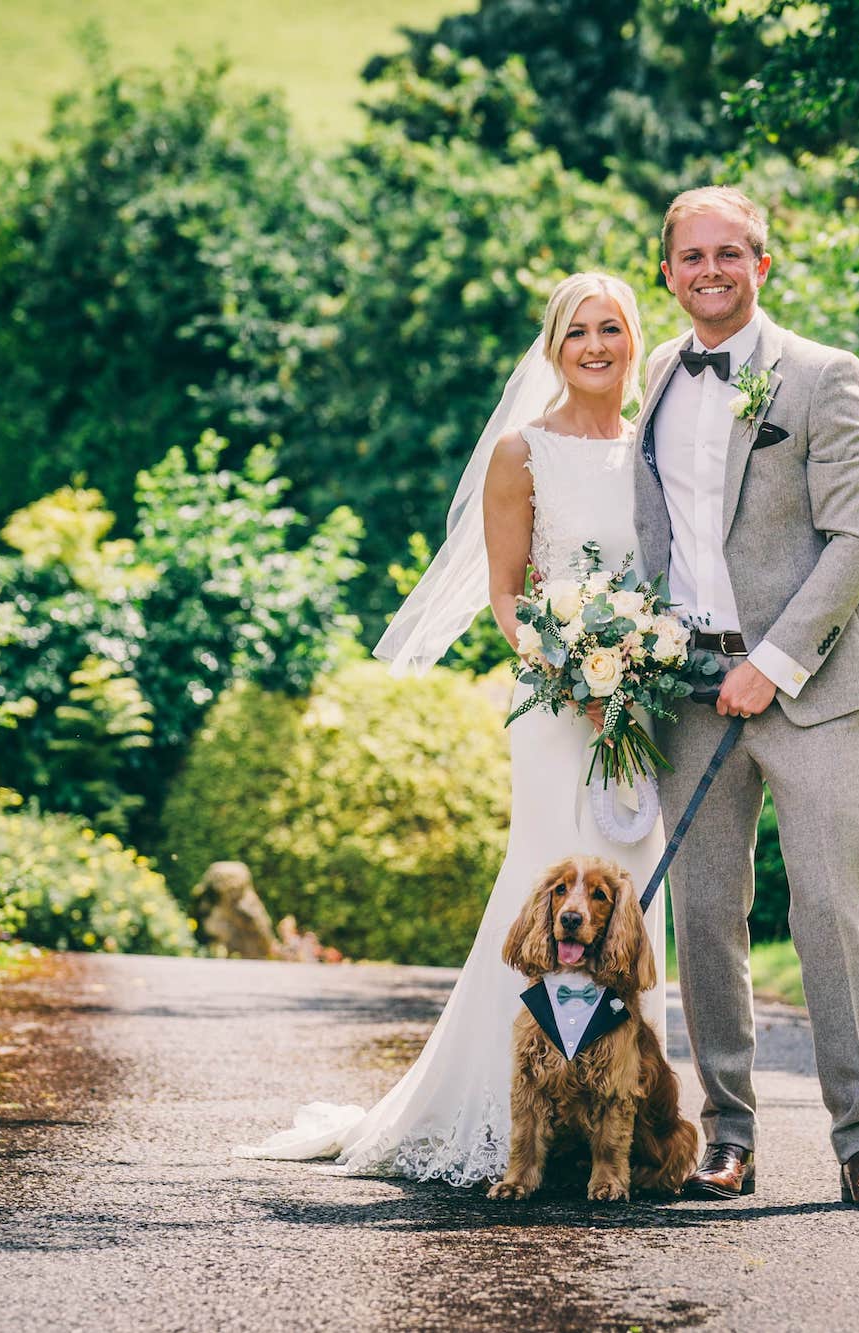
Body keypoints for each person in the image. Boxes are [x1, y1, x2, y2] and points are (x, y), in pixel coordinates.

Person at [232, 273, 667, 1185]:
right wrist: (569, 665)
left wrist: (634, 669)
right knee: (543, 892)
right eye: (577, 331)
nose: (597, 346)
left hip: (639, 713)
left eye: (613, 328)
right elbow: (510, 596)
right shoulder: (522, 451)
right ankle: (498, 1106)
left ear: (635, 339)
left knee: (630, 899)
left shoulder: (652, 448)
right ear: (553, 347)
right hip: (555, 710)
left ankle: (610, 1120)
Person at [632, 186, 859, 1212]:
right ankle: (727, 1135)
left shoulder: (823, 377)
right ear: (667, 271)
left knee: (828, 913)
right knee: (706, 916)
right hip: (689, 688)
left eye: (728, 252)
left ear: (762, 263)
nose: (708, 268)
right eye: (689, 254)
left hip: (816, 688)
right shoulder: (656, 375)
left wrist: (776, 658)